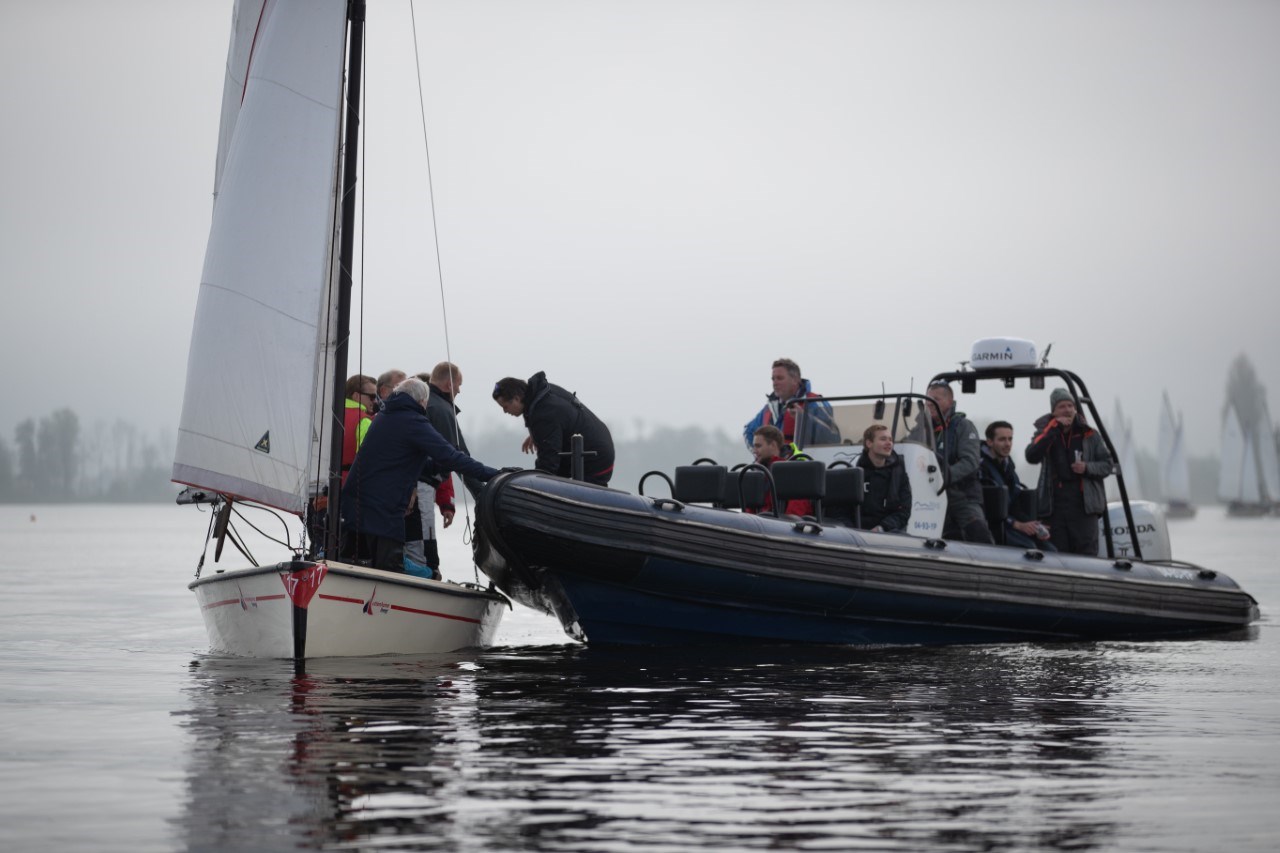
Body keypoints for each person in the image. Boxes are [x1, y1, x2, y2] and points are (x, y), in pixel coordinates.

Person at [341, 377, 501, 573]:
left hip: (356, 506)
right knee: (389, 570)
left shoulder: (385, 416)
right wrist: (494, 475)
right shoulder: (412, 420)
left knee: (358, 565)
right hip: (383, 511)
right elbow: (452, 456)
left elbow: (400, 458)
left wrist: (435, 466)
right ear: (422, 401)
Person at [403, 363, 474, 577]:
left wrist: (446, 502)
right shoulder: (440, 409)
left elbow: (445, 461)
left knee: (421, 539)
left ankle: (427, 571)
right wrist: (481, 491)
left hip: (421, 485)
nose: (459, 390)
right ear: (449, 385)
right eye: (459, 385)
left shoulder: (434, 408)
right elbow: (454, 456)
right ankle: (426, 575)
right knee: (421, 543)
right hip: (419, 487)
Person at [1025, 388, 1113, 556]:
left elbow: (1107, 464)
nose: (1067, 410)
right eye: (1062, 406)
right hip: (1054, 506)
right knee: (1056, 554)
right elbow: (1031, 456)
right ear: (1053, 412)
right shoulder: (1046, 431)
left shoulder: (1090, 434)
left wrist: (1087, 467)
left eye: (1070, 405)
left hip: (1084, 507)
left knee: (1087, 553)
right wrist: (1052, 429)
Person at [493, 372, 615, 485]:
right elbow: (560, 418)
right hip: (600, 446)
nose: (505, 411)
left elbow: (548, 463)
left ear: (516, 398)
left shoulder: (543, 413)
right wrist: (538, 433)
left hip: (595, 460)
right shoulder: (542, 393)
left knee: (548, 478)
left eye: (505, 406)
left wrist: (534, 486)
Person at [925, 380, 993, 544]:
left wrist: (943, 478)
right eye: (927, 399)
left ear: (950, 401)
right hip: (929, 497)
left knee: (977, 531)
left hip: (962, 496)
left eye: (935, 399)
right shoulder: (920, 429)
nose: (929, 403)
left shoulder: (963, 426)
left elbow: (970, 462)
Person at [980, 420, 1054, 550]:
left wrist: (1033, 525)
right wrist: (1016, 524)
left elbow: (1014, 503)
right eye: (1002, 439)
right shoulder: (980, 468)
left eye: (1010, 439)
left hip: (1010, 523)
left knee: (1049, 549)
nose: (1007, 444)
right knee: (1029, 549)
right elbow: (987, 507)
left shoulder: (1009, 467)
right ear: (990, 442)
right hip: (992, 526)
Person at [742, 358, 839, 450]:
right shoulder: (769, 408)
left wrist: (804, 419)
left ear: (795, 380)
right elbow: (748, 432)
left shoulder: (815, 403)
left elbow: (834, 438)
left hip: (803, 461)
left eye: (780, 378)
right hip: (776, 462)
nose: (775, 383)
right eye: (773, 379)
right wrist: (759, 453)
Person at [746, 425, 814, 517]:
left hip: (783, 523)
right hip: (763, 522)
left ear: (773, 445)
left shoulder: (794, 471)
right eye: (754, 446)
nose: (754, 451)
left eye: (758, 446)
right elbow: (750, 509)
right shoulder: (758, 472)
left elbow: (796, 510)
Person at [855, 424, 912, 533]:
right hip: (858, 533)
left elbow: (904, 511)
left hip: (888, 533)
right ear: (869, 443)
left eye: (890, 439)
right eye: (883, 439)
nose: (889, 443)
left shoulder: (899, 474)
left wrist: (882, 528)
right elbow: (843, 511)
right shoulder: (855, 471)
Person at [341, 374, 377, 484]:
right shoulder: (364, 421)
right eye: (372, 397)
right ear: (356, 396)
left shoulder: (329, 414)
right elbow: (367, 460)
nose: (375, 401)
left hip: (322, 485)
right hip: (352, 485)